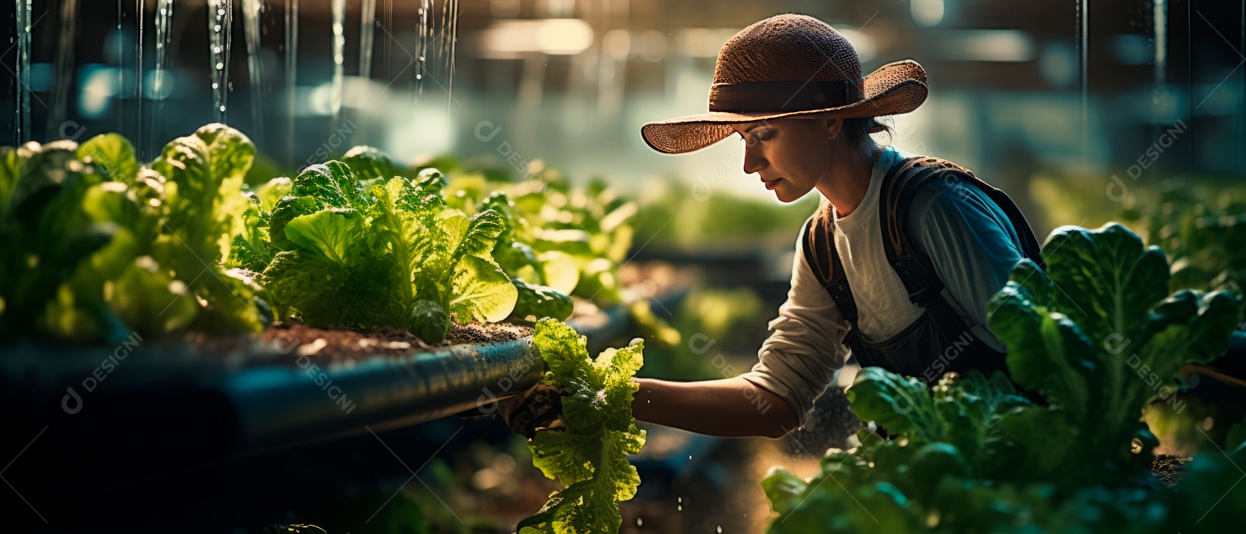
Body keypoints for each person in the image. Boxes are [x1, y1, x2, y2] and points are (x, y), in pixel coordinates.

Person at [504, 13, 1043, 440]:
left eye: (764, 134)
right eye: (744, 140)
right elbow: (776, 401)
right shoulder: (822, 244)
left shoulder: (935, 207)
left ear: (832, 119)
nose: (749, 163)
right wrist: (608, 394)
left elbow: (1049, 359)